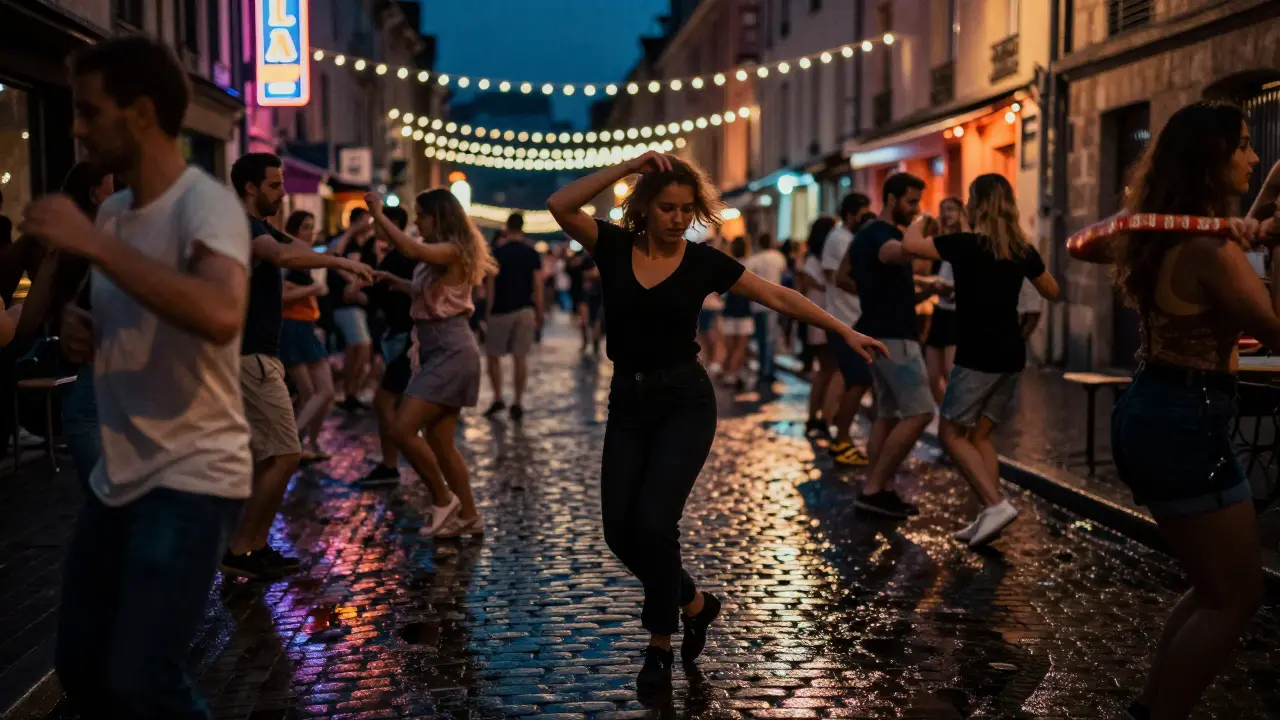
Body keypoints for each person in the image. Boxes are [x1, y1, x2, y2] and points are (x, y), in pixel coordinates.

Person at [547, 151, 885, 698]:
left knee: (655, 521)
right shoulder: (612, 245)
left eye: (687, 209)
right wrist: (628, 166)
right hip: (628, 401)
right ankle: (696, 604)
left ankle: (659, 645)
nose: (678, 218)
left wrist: (843, 330)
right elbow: (560, 204)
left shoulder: (702, 262)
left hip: (686, 401)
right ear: (645, 207)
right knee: (619, 532)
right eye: (667, 208)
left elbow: (775, 295)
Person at [22, 36, 251, 717]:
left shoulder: (204, 205)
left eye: (90, 111)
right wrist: (82, 324)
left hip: (191, 476)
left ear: (142, 113)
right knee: (83, 666)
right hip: (119, 478)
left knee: (144, 677)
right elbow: (135, 308)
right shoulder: (116, 212)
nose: (78, 127)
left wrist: (93, 244)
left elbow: (220, 312)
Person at [1070, 101, 1276, 720]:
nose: (1253, 156)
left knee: (1213, 588)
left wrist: (1256, 213)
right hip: (1187, 420)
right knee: (1235, 597)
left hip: (1154, 407)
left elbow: (1104, 242)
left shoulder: (1166, 236)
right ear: (1212, 157)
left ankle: (1149, 710)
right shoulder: (1209, 249)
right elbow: (1274, 326)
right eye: (1243, 144)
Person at [222, 152, 373, 581]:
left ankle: (251, 546)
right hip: (251, 356)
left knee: (265, 458)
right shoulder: (246, 228)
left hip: (257, 354)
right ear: (250, 187)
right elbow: (283, 257)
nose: (282, 192)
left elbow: (299, 248)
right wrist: (338, 262)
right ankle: (241, 547)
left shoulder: (261, 225)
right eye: (274, 185)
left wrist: (342, 250)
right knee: (287, 453)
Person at [902, 175, 1059, 547]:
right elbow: (1052, 290)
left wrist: (921, 218)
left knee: (949, 433)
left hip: (977, 355)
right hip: (1012, 354)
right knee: (980, 435)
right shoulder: (1021, 248)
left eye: (971, 198)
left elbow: (910, 245)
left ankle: (994, 504)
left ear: (978, 205)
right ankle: (989, 514)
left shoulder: (964, 244)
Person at [366, 189, 494, 537]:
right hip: (436, 350)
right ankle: (469, 516)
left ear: (438, 217)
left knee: (402, 428)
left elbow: (412, 250)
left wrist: (379, 215)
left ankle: (443, 499)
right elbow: (434, 292)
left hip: (452, 350)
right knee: (440, 441)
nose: (417, 221)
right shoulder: (438, 253)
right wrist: (397, 283)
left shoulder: (452, 250)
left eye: (421, 215)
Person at [838, 172, 943, 517]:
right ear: (892, 198)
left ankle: (876, 488)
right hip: (895, 337)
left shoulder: (864, 235)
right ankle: (874, 488)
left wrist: (922, 289)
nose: (916, 209)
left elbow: (845, 275)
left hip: (879, 332)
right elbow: (897, 252)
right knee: (921, 413)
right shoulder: (883, 235)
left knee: (887, 415)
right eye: (911, 202)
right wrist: (923, 226)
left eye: (918, 203)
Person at [13, 163, 114, 486]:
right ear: (95, 194)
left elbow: (29, 320)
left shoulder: (68, 247)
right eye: (112, 186)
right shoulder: (110, 242)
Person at [358, 205, 420, 488]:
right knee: (395, 405)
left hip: (406, 339)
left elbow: (392, 294)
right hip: (401, 338)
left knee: (387, 403)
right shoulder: (400, 255)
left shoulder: (404, 256)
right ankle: (395, 462)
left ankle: (399, 463)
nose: (374, 228)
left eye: (378, 222)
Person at [821, 192, 876, 467]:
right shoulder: (840, 239)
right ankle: (840, 438)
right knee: (858, 379)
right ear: (852, 214)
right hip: (844, 319)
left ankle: (838, 432)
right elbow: (837, 278)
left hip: (852, 319)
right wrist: (871, 291)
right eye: (863, 214)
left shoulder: (846, 238)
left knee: (852, 378)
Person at [279, 210, 335, 463]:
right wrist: (314, 288)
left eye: (312, 227)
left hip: (304, 326)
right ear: (293, 231)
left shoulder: (303, 256)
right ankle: (293, 443)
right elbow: (282, 295)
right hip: (294, 326)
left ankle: (304, 443)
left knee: (312, 392)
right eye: (305, 227)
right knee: (317, 392)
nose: (310, 232)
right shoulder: (289, 258)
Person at [483, 212, 544, 420]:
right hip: (525, 310)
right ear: (522, 227)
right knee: (520, 358)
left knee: (493, 356)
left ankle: (498, 397)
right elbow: (538, 284)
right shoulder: (531, 253)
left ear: (507, 228)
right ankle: (517, 401)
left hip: (500, 309)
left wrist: (487, 312)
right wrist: (539, 312)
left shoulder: (497, 253)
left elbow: (490, 286)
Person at [327, 208, 377, 411]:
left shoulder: (366, 244)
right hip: (344, 304)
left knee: (361, 348)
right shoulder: (343, 240)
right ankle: (349, 393)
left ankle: (352, 393)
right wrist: (352, 283)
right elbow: (333, 259)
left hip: (357, 304)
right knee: (360, 346)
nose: (368, 224)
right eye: (365, 220)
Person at [795, 216, 837, 438]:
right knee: (828, 370)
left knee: (825, 370)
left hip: (818, 317)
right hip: (822, 316)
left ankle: (816, 416)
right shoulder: (816, 260)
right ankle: (821, 417)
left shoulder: (812, 259)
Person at [924, 197, 964, 404]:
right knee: (931, 376)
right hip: (940, 310)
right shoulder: (939, 242)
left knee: (950, 372)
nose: (947, 214)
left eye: (951, 209)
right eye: (943, 210)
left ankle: (956, 414)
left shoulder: (966, 241)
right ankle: (946, 412)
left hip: (956, 313)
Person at [745, 233, 787, 388]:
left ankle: (764, 367)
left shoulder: (754, 259)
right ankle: (767, 370)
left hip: (757, 304)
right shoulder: (778, 257)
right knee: (769, 338)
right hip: (774, 303)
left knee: (761, 338)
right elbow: (784, 274)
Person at [719, 237, 754, 390]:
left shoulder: (727, 264)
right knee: (741, 347)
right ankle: (732, 374)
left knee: (731, 347)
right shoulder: (750, 265)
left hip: (729, 309)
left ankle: (728, 372)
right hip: (744, 310)